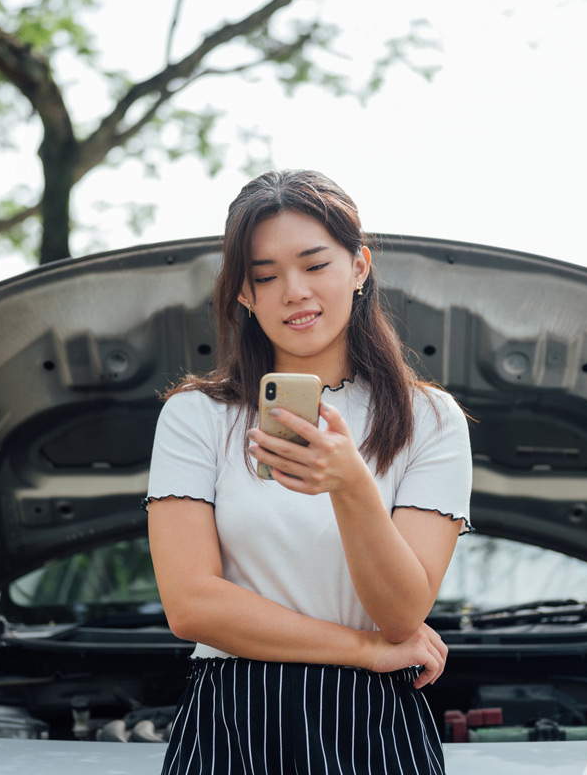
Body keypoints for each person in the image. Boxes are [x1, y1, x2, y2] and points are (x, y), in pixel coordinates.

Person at [144, 169, 473, 774]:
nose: (293, 291)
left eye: (315, 264)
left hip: (374, 725)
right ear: (243, 293)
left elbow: (403, 613)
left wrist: (351, 485)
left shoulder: (430, 420)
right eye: (265, 276)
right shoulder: (195, 417)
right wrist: (362, 649)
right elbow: (190, 605)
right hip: (232, 721)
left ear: (359, 266)